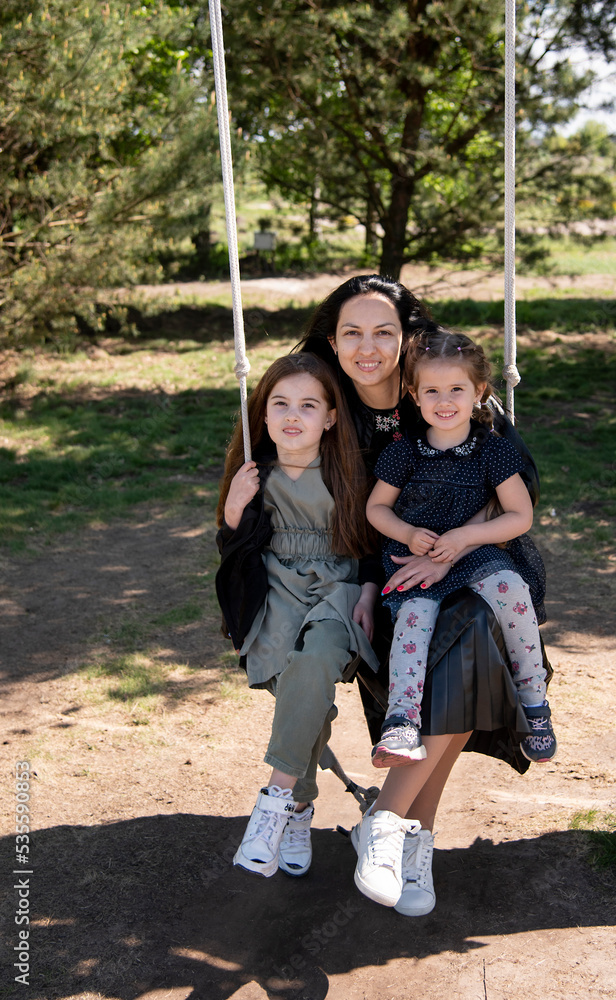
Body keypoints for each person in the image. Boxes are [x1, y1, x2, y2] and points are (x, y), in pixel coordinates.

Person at [294, 275, 553, 917]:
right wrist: (365, 576)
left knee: (473, 640)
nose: (369, 347)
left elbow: (519, 492)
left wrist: (455, 547)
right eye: (352, 332)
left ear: (408, 339)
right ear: (334, 340)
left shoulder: (448, 393)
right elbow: (320, 504)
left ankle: (389, 826)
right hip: (385, 577)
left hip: (474, 564)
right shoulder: (326, 409)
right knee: (452, 660)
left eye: (385, 331)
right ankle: (412, 837)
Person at [215, 353, 379, 879]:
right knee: (298, 693)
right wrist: (234, 512)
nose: (292, 415)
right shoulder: (254, 475)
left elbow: (376, 543)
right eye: (280, 404)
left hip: (337, 590)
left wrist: (369, 592)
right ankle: (301, 809)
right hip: (276, 590)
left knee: (316, 664)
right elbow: (234, 552)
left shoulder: (348, 472)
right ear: (262, 415)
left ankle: (275, 802)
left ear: (331, 417)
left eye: (309, 405)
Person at [366, 327, 554, 769]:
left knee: (510, 588)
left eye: (456, 389)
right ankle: (402, 720)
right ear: (414, 395)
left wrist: (464, 538)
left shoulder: (494, 452)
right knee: (414, 618)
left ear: (480, 392)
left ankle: (534, 701)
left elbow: (519, 516)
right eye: (431, 390)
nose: (444, 401)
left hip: (473, 554)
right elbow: (376, 509)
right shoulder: (403, 453)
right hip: (416, 556)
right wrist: (410, 533)